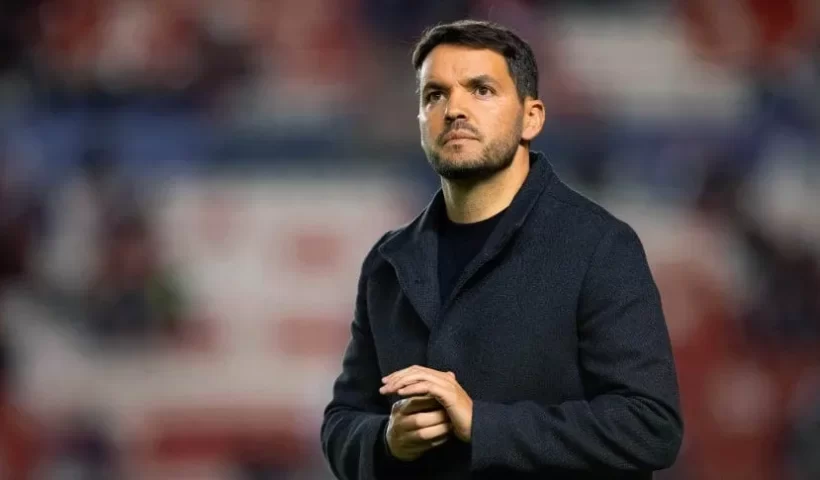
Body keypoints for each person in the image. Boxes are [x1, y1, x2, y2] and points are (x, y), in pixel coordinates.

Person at [320, 19, 683, 480]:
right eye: (434, 95)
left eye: (481, 90)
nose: (454, 109)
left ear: (532, 118)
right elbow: (342, 421)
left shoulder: (600, 246)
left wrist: (482, 424)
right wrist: (386, 440)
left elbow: (650, 426)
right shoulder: (388, 262)